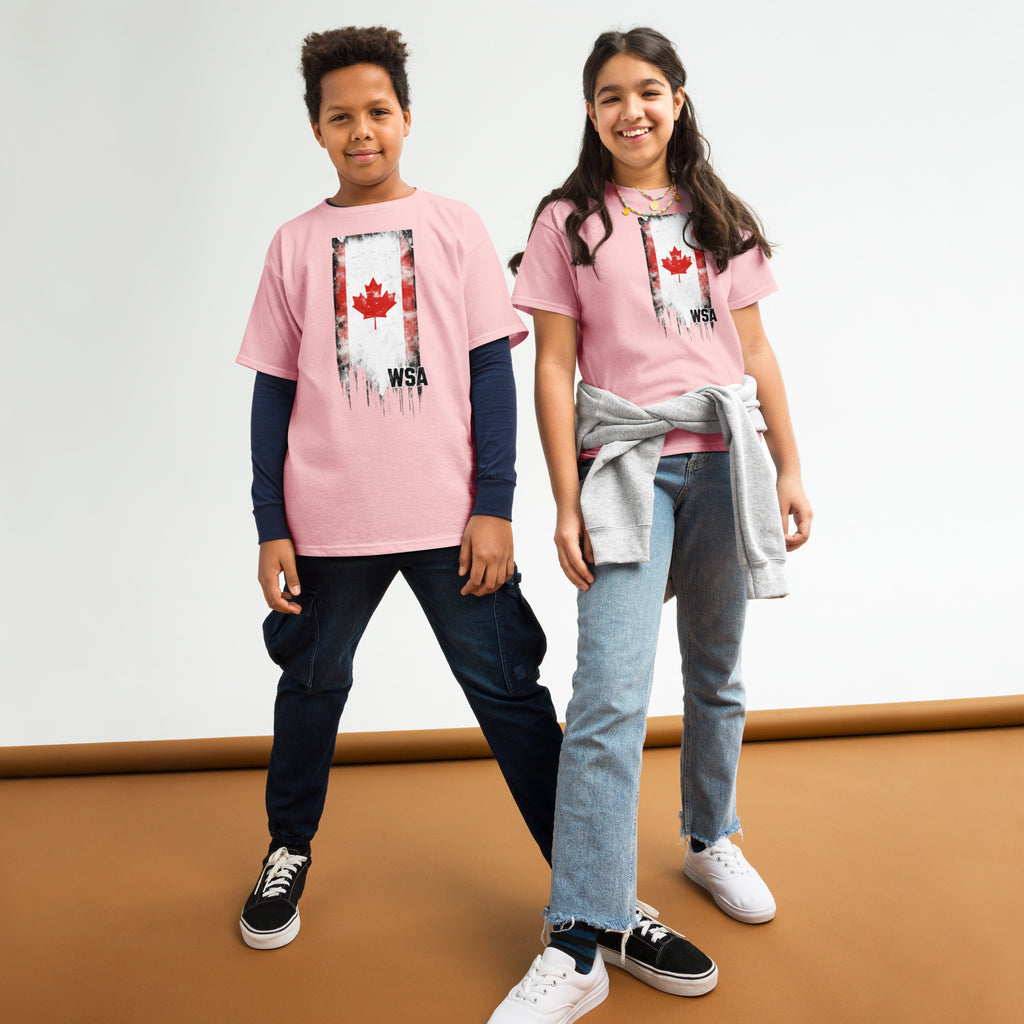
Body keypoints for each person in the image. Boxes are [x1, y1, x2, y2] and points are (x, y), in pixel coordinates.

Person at [234, 27, 713, 997]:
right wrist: (269, 522)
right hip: (327, 526)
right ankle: (288, 846)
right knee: (311, 687)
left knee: (517, 705)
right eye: (340, 116)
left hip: (455, 526)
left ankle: (599, 900)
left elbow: (492, 373)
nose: (361, 129)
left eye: (377, 111)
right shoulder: (292, 245)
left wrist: (492, 506)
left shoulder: (451, 226)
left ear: (404, 118)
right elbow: (273, 393)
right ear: (317, 129)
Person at [488, 26, 812, 1023]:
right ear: (589, 113)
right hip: (626, 465)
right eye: (608, 96)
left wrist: (791, 464)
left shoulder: (718, 216)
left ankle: (710, 836)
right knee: (607, 697)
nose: (630, 110)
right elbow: (550, 366)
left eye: (648, 91)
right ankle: (580, 937)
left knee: (715, 667)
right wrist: (560, 498)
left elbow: (752, 354)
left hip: (726, 463)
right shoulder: (566, 221)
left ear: (677, 98)